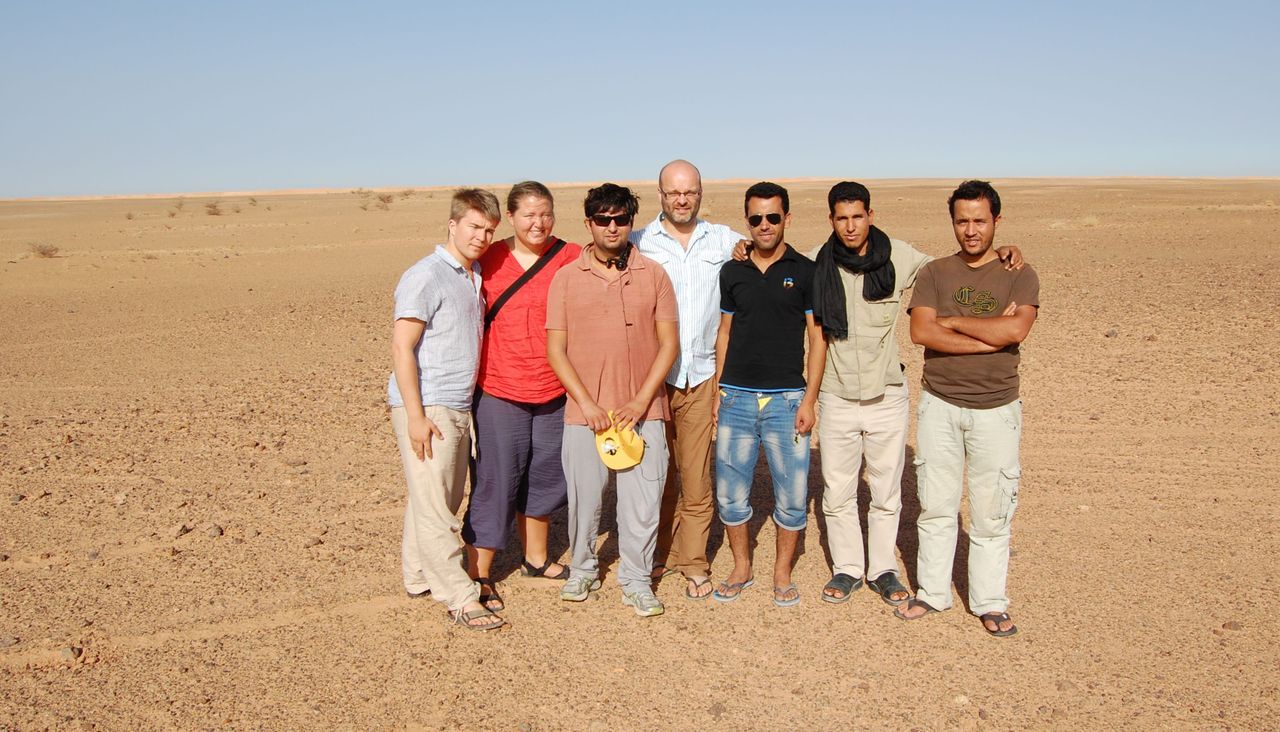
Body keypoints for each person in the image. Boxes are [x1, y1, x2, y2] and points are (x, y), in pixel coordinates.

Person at [811, 182, 1024, 606]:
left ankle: (883, 569)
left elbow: (952, 273)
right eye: (841, 218)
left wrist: (1002, 254)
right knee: (837, 492)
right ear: (831, 220)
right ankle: (848, 568)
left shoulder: (901, 257)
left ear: (871, 215)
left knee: (887, 492)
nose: (850, 227)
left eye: (858, 216)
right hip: (836, 395)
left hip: (887, 394)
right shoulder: (818, 266)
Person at [898, 180, 1039, 637]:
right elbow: (922, 333)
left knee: (991, 510)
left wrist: (954, 321)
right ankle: (933, 593)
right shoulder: (936, 273)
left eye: (980, 220)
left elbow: (1017, 331)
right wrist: (989, 335)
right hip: (940, 404)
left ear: (997, 220)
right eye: (962, 220)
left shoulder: (1019, 273)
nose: (971, 230)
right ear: (952, 222)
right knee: (936, 506)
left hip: (996, 409)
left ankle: (989, 601)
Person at [546, 183, 679, 618]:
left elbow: (668, 344)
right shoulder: (566, 279)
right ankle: (582, 569)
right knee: (585, 499)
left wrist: (641, 401)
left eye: (620, 219)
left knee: (642, 502)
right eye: (602, 219)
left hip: (644, 413)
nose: (611, 227)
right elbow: (556, 350)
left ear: (630, 222)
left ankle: (637, 580)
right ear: (589, 223)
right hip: (586, 415)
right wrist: (585, 403)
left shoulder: (654, 274)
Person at [388, 188, 505, 631]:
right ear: (453, 225)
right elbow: (402, 346)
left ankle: (417, 576)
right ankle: (459, 596)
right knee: (438, 506)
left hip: (457, 404)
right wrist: (416, 416)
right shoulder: (427, 275)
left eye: (489, 230)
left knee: (438, 497)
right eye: (474, 227)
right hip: (429, 404)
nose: (481, 236)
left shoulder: (470, 277)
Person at [462, 182, 581, 612]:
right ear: (510, 218)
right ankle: (479, 572)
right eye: (529, 214)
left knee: (547, 476)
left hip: (553, 390)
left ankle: (535, 557)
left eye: (546, 213)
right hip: (500, 390)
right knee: (496, 480)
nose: (539, 223)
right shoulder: (488, 259)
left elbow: (618, 258)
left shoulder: (570, 256)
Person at [632, 159, 748, 600]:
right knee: (656, 475)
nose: (682, 200)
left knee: (696, 477)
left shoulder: (722, 239)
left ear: (700, 194)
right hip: (652, 381)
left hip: (700, 376)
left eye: (690, 192)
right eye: (673, 192)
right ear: (660, 194)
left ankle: (693, 560)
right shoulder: (640, 242)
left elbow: (765, 249)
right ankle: (657, 552)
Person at [711, 182, 823, 608]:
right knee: (730, 493)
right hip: (737, 397)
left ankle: (781, 571)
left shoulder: (806, 270)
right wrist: (720, 390)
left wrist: (810, 399)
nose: (764, 225)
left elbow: (817, 338)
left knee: (792, 496)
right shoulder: (732, 270)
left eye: (772, 217)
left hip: (787, 399)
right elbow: (724, 332)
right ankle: (742, 566)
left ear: (787, 219)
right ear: (747, 221)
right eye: (755, 218)